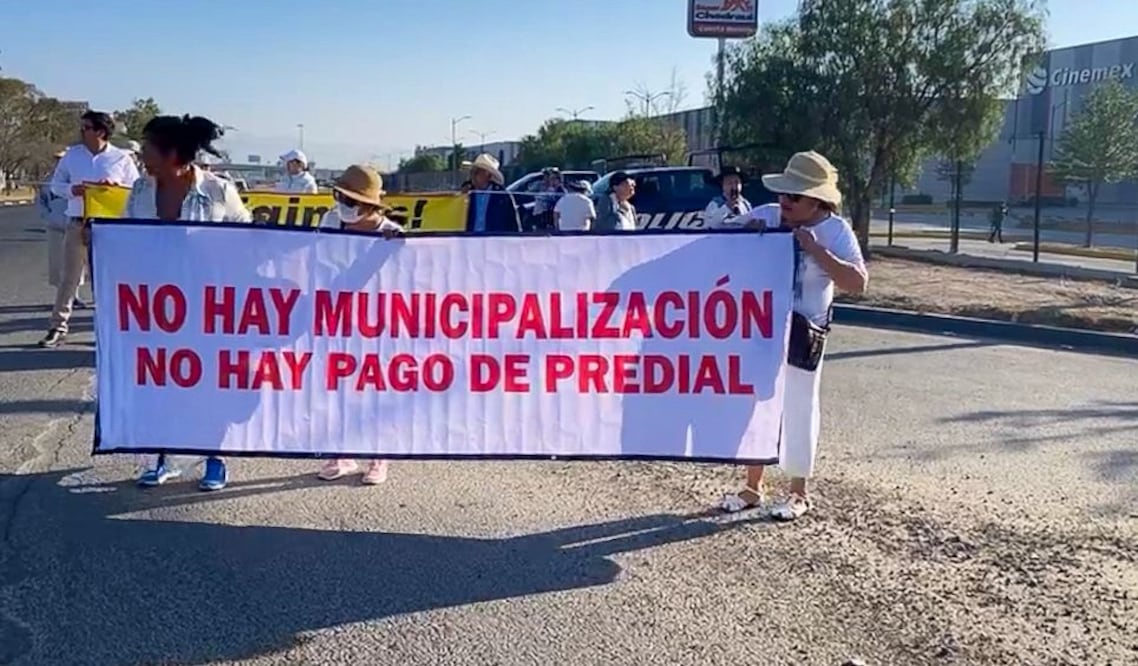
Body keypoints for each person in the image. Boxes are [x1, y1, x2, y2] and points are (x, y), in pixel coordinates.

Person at [718, 151, 868, 521]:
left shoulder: (836, 232)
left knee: (799, 409)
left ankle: (798, 493)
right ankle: (752, 487)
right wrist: (744, 235)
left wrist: (815, 250)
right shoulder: (768, 216)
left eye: (794, 197)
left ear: (817, 200)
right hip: (762, 329)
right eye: (783, 194)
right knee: (755, 405)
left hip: (804, 335)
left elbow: (857, 283)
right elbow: (717, 241)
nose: (784, 202)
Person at [127, 114, 253, 492]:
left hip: (208, 308)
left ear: (171, 153)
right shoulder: (139, 190)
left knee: (209, 384)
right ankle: (163, 457)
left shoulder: (218, 191)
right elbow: (125, 237)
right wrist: (96, 238)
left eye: (147, 146)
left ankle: (215, 458)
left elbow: (249, 240)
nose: (142, 153)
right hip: (156, 309)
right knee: (161, 383)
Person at [315, 163, 402, 484]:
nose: (343, 206)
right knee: (337, 386)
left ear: (369, 204)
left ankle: (378, 456)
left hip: (377, 322)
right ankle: (343, 453)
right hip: (336, 317)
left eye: (351, 201)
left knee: (374, 387)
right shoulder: (330, 221)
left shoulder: (390, 231)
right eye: (340, 197)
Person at [40, 111, 140, 348]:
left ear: (100, 132)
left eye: (86, 128)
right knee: (69, 278)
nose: (81, 132)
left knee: (105, 279)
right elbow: (56, 185)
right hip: (77, 221)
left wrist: (115, 188)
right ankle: (58, 327)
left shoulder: (120, 159)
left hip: (107, 226)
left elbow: (136, 190)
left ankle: (108, 330)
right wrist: (72, 190)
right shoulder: (72, 156)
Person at [38, 149, 91, 308]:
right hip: (56, 227)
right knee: (57, 263)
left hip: (75, 225)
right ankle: (61, 298)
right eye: (57, 159)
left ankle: (74, 296)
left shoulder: (78, 179)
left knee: (77, 264)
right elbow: (41, 202)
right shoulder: (48, 181)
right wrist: (48, 218)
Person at [461, 153, 521, 233]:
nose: (472, 176)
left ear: (488, 175)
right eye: (472, 172)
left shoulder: (502, 196)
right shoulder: (467, 194)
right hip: (469, 241)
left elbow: (513, 225)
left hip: (494, 241)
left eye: (476, 172)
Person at [530, 167, 566, 231]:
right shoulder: (548, 189)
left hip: (552, 217)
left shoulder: (561, 191)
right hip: (543, 216)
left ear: (559, 180)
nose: (551, 181)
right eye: (550, 178)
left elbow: (556, 203)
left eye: (553, 179)